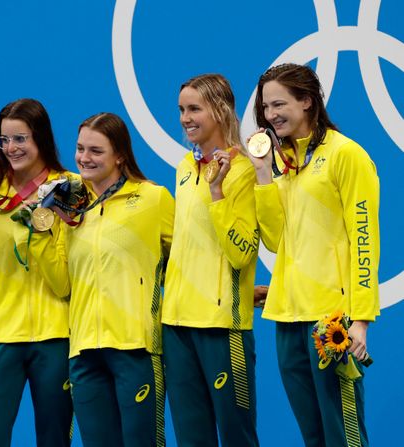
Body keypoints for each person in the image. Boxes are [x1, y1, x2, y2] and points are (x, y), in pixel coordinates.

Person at [248, 63, 380, 447]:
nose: (271, 115)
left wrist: (361, 319)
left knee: (344, 434)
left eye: (279, 104)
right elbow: (274, 240)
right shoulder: (283, 163)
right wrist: (262, 174)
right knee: (313, 435)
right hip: (288, 318)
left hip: (332, 320)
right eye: (266, 108)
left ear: (307, 101)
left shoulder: (346, 155)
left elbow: (365, 240)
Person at [29, 112, 173, 447]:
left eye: (96, 150)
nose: (83, 158)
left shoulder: (153, 199)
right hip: (84, 353)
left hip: (136, 347)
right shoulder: (74, 210)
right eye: (80, 149)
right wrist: (39, 232)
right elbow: (63, 284)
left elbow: (186, 260)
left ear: (120, 155)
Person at [0, 98, 73, 447]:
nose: (11, 148)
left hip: (56, 334)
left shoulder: (70, 189)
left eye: (20, 139)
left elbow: (67, 276)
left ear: (41, 138)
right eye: (3, 140)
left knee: (55, 441)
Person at [162, 74, 260, 446]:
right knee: (191, 439)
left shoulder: (246, 170)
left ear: (221, 111)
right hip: (175, 323)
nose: (185, 118)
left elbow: (242, 252)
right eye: (182, 110)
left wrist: (217, 192)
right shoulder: (186, 167)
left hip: (222, 326)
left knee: (237, 437)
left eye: (194, 109)